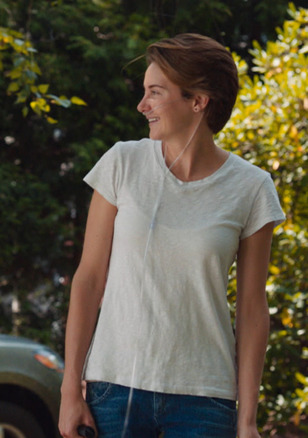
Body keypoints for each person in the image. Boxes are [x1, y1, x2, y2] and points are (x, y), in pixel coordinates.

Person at [58, 34, 285, 438]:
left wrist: (247, 420)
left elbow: (252, 309)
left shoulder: (251, 188)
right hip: (114, 389)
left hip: (204, 399)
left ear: (198, 100)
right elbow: (89, 278)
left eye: (155, 93)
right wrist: (70, 390)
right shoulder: (122, 163)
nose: (142, 105)